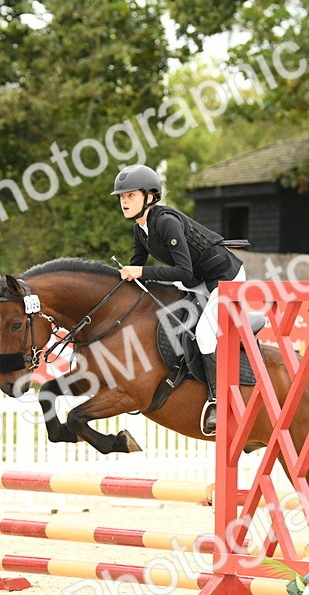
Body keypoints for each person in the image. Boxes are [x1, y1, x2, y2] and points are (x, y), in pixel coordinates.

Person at [113, 164, 244, 436]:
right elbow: (137, 274)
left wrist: (140, 272)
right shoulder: (140, 229)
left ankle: (219, 403)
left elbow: (181, 271)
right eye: (122, 197)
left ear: (150, 196)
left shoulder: (166, 222)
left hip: (225, 279)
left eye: (131, 195)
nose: (124, 201)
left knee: (205, 333)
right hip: (197, 280)